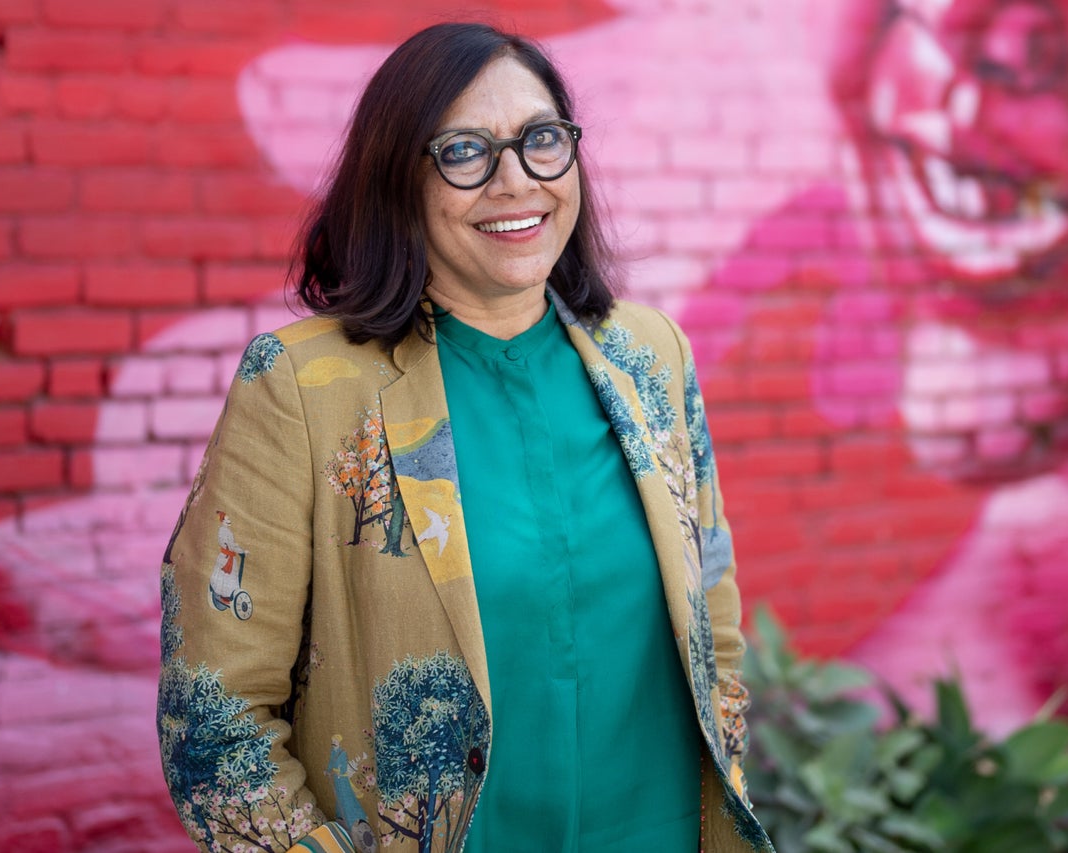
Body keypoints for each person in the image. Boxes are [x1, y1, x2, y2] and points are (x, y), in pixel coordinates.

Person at [157, 21, 773, 853]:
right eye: (463, 152)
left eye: (541, 140)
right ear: (397, 179)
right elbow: (216, 717)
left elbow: (716, 626)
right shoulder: (304, 387)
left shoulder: (650, 356)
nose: (515, 181)